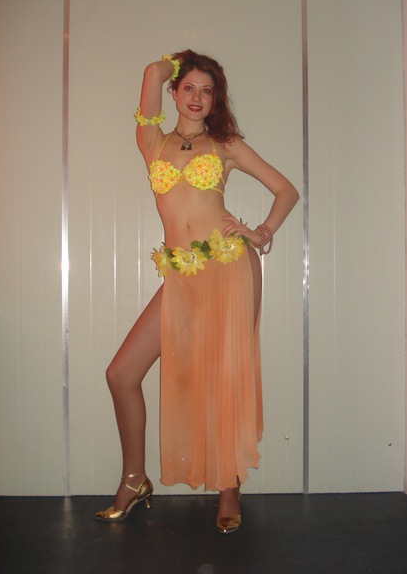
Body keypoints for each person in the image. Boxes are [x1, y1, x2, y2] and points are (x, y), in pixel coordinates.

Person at [95, 50, 299, 533]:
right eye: (189, 87)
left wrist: (260, 233)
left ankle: (229, 486)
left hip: (229, 268)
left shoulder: (225, 144)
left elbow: (286, 190)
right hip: (182, 274)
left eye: (207, 91)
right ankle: (134, 479)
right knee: (121, 374)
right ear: (175, 92)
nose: (197, 97)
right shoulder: (153, 142)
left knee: (226, 375)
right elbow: (152, 72)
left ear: (215, 100)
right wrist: (180, 60)